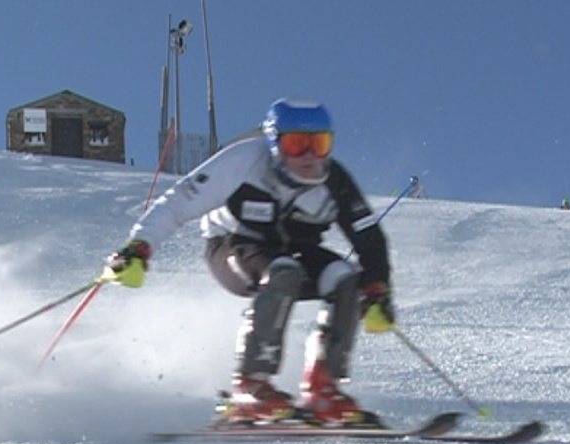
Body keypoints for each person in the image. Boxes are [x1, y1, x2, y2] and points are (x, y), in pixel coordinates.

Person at [101, 98, 395, 426]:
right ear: (274, 143)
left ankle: (322, 389)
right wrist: (139, 247)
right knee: (284, 271)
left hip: (295, 249)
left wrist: (378, 289)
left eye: (320, 144)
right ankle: (250, 385)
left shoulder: (334, 181)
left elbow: (368, 238)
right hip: (233, 246)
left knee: (345, 278)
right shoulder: (244, 161)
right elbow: (179, 203)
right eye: (297, 144)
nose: (310, 156)